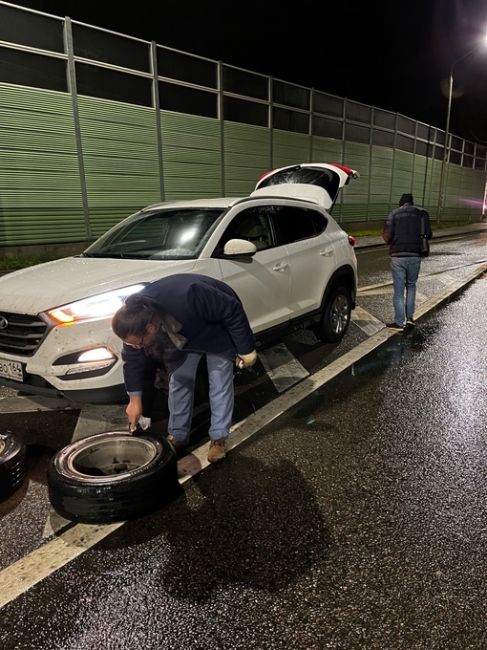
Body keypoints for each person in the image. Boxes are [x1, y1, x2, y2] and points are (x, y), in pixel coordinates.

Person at [112, 273, 257, 463]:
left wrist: (246, 350)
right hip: (181, 334)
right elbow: (132, 360)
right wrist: (134, 400)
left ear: (150, 328)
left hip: (216, 328)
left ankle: (219, 438)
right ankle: (178, 435)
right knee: (179, 379)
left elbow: (232, 311)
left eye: (139, 343)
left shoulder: (191, 295)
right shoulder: (134, 321)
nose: (137, 347)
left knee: (219, 379)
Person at [383, 193, 432, 331]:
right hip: (415, 255)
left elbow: (386, 237)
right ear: (412, 202)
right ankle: (410, 318)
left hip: (398, 257)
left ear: (401, 203)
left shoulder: (394, 214)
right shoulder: (421, 214)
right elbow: (429, 234)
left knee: (399, 290)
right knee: (411, 286)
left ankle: (399, 322)